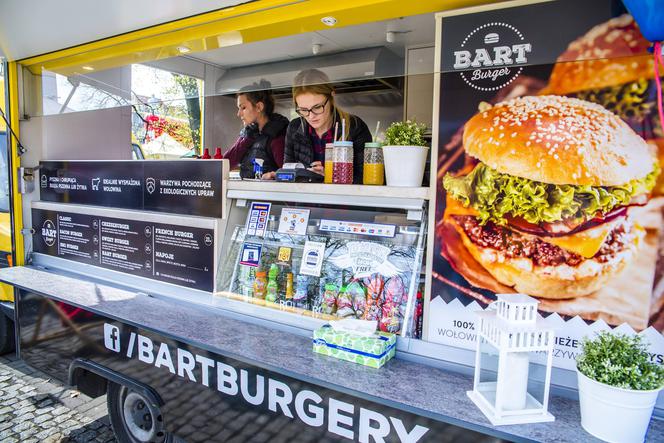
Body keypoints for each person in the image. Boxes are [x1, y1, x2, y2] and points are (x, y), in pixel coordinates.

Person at [270, 69, 371, 183]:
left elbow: (366, 180)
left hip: (341, 200)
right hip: (305, 199)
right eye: (303, 110)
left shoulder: (354, 127)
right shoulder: (294, 127)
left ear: (332, 97)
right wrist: (279, 175)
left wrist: (330, 176)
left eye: (317, 107)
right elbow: (289, 169)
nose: (311, 116)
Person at [223, 80, 289, 178]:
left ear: (259, 107)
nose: (239, 114)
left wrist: (274, 176)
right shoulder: (248, 133)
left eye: (243, 108)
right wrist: (246, 139)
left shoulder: (277, 136)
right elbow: (225, 164)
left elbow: (288, 174)